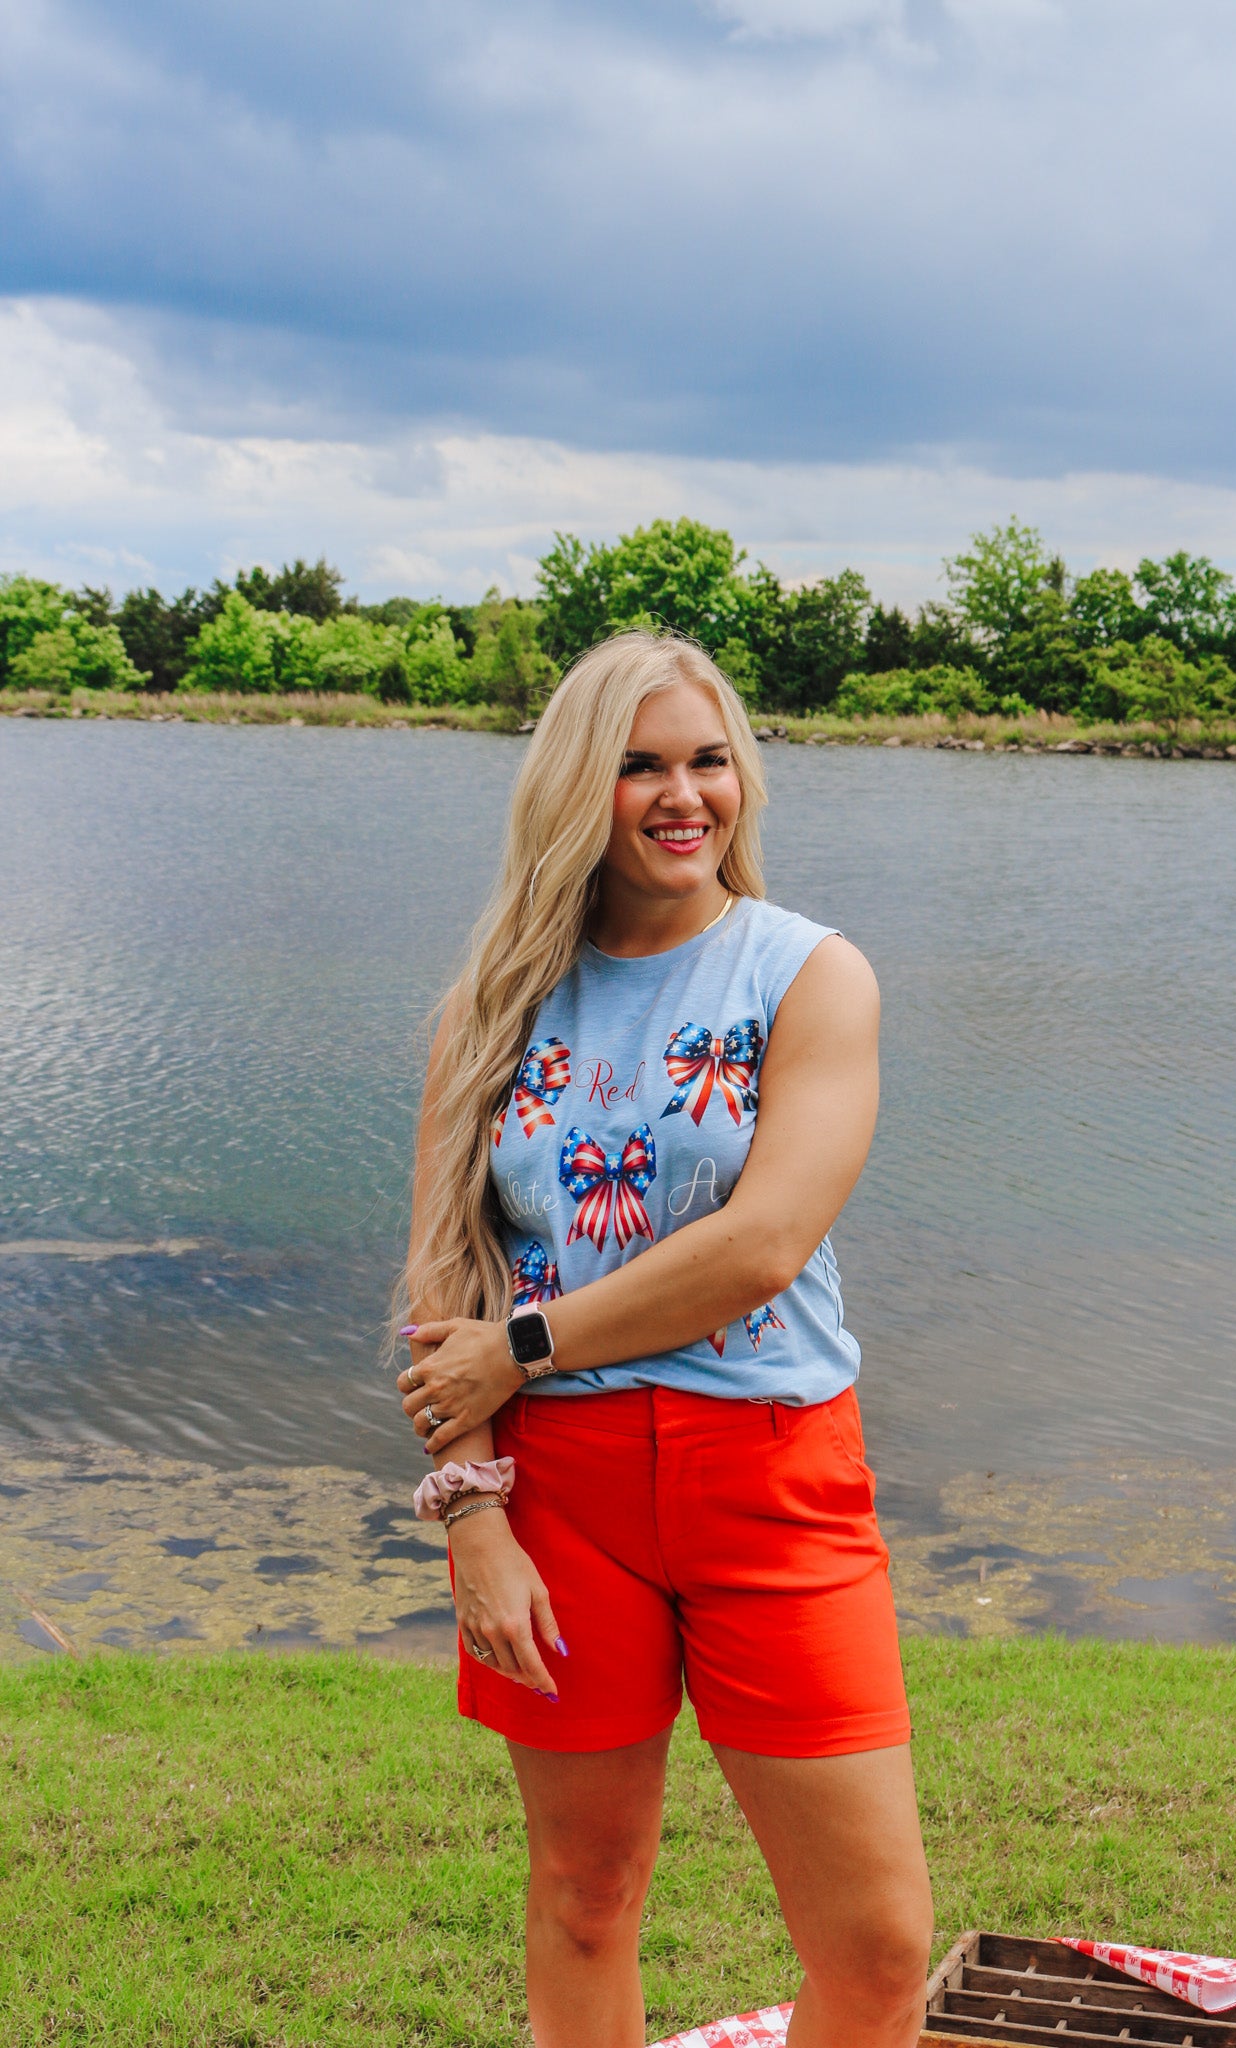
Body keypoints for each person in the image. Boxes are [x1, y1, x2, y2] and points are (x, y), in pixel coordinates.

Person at [396, 630, 933, 2048]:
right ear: (580, 790)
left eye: (708, 761)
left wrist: (516, 1349)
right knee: (582, 1893)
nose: (682, 794)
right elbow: (441, 1281)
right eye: (639, 766)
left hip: (770, 1476)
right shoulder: (489, 1009)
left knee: (877, 1950)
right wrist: (473, 1520)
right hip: (558, 1495)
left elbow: (762, 1244)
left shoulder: (807, 975)